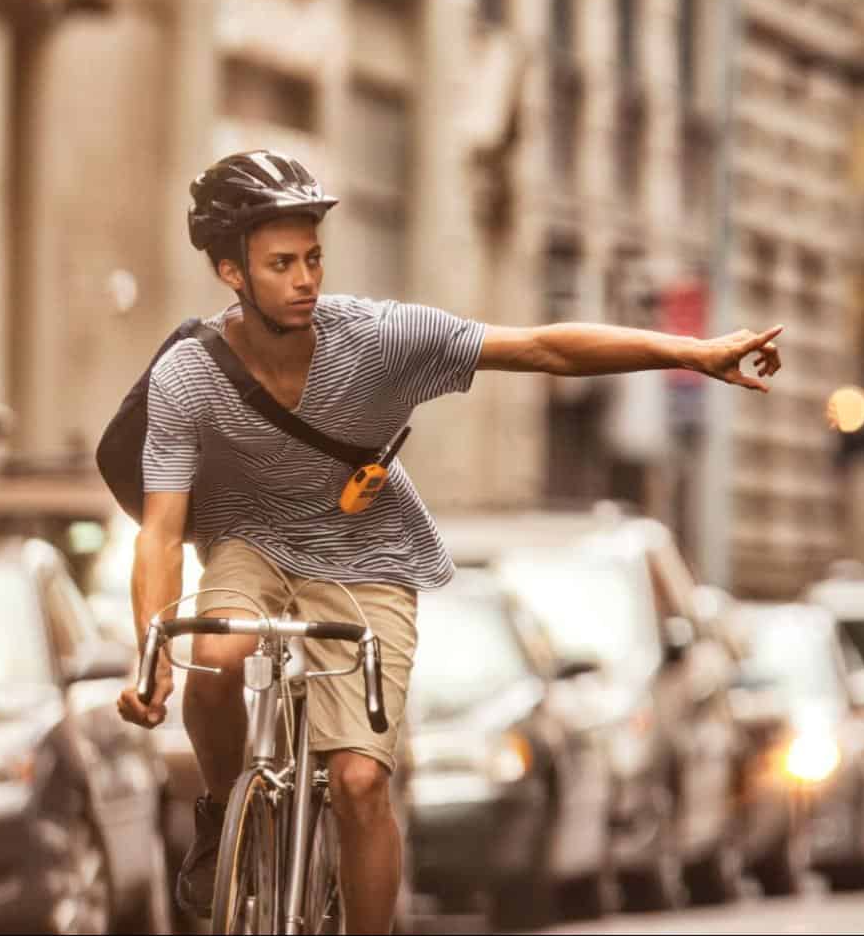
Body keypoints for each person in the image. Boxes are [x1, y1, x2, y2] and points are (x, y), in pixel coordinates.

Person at [115, 149, 783, 930]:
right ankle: (223, 808)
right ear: (230, 271)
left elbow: (541, 347)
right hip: (249, 541)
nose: (305, 279)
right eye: (281, 263)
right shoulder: (187, 375)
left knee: (361, 781)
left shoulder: (379, 339)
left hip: (367, 554)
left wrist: (689, 352)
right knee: (218, 658)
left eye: (314, 258)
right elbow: (160, 532)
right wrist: (150, 653)